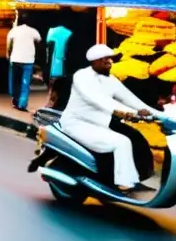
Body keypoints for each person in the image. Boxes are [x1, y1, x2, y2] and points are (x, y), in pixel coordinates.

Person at [60, 44, 161, 192]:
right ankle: (123, 183)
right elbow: (99, 100)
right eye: (104, 59)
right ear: (94, 61)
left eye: (110, 59)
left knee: (137, 138)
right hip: (79, 123)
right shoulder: (82, 76)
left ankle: (136, 178)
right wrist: (125, 112)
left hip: (101, 122)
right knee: (122, 142)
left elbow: (130, 98)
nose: (109, 62)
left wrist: (158, 115)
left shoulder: (110, 79)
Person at [7, 18, 41, 112]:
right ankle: (22, 104)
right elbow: (39, 40)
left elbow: (9, 43)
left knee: (15, 81)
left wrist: (8, 54)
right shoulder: (33, 31)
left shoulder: (14, 30)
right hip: (28, 60)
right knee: (25, 83)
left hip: (16, 59)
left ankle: (16, 99)